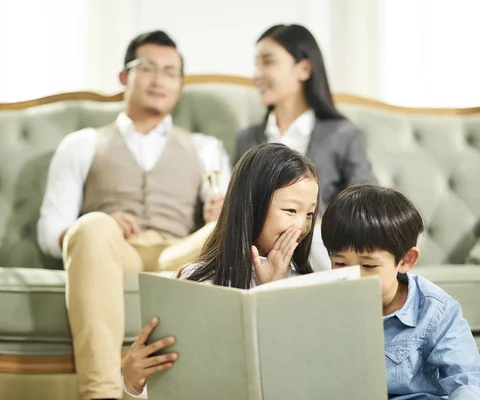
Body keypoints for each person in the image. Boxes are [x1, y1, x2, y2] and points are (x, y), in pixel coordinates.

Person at [37, 31, 231, 400]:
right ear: (124, 77)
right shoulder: (82, 144)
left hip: (178, 253)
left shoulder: (206, 148)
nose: (159, 79)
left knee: (228, 226)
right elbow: (50, 229)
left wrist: (219, 214)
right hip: (117, 251)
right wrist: (102, 220)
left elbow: (219, 206)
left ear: (180, 86)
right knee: (92, 226)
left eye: (170, 72)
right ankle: (102, 394)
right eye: (147, 68)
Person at [121, 143, 320, 398]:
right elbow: (169, 379)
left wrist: (273, 288)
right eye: (291, 210)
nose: (301, 226)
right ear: (252, 205)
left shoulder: (309, 284)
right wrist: (132, 379)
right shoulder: (196, 280)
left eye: (309, 214)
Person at [321, 185, 480, 399]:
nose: (354, 276)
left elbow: (467, 380)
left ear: (405, 260)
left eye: (369, 266)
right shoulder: (326, 301)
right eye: (340, 263)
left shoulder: (435, 310)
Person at [236, 24, 377, 215]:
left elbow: (367, 206)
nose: (256, 76)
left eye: (268, 62)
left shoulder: (343, 135)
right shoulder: (247, 139)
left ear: (304, 69)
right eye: (257, 64)